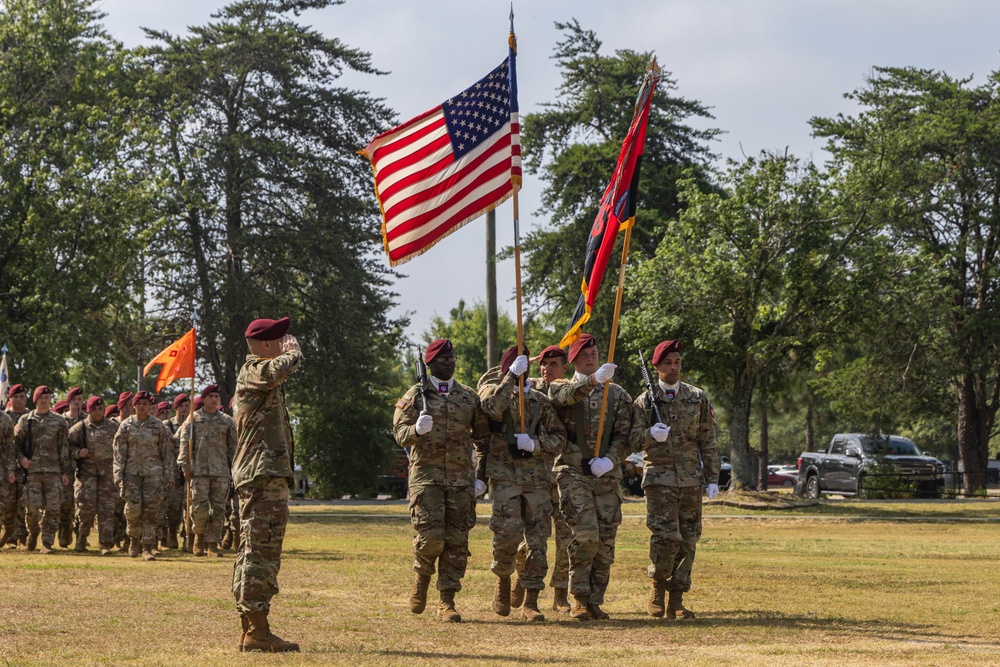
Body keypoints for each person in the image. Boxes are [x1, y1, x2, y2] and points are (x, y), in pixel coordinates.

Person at [393, 338, 487, 623]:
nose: (448, 362)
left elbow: (483, 440)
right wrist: (416, 431)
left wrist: (481, 476)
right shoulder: (414, 395)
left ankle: (447, 600)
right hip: (426, 479)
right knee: (431, 537)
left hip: (461, 481)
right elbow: (399, 433)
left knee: (457, 542)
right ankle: (422, 577)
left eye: (451, 358)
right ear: (430, 364)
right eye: (441, 359)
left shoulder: (469, 397)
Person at [631, 339, 721, 619]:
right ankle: (657, 587)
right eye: (667, 363)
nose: (673, 367)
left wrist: (713, 477)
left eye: (677, 362)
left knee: (689, 539)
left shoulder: (696, 397)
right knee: (666, 535)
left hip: (691, 478)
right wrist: (650, 435)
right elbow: (631, 441)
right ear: (656, 367)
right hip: (660, 477)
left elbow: (708, 439)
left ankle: (677, 599)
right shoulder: (644, 401)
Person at [477, 344, 566, 622]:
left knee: (538, 541)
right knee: (507, 535)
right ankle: (503, 580)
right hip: (505, 476)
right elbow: (491, 408)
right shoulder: (494, 391)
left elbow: (559, 438)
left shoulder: (540, 402)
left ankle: (531, 600)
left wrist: (536, 445)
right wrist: (509, 379)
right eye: (515, 368)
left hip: (536, 479)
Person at [548, 334, 632, 621]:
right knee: (585, 535)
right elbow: (564, 397)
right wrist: (593, 380)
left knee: (606, 540)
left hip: (606, 476)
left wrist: (610, 459)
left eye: (594, 352)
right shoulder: (561, 386)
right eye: (584, 354)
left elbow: (625, 435)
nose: (591, 357)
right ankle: (578, 597)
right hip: (572, 473)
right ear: (573, 359)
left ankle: (596, 599)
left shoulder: (618, 394)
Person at [231, 316, 301, 653]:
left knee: (254, 549)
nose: (286, 340)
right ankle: (257, 630)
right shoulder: (255, 370)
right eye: (280, 337)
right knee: (263, 551)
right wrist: (295, 353)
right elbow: (279, 369)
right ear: (267, 345)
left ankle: (252, 628)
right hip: (262, 474)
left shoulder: (258, 377)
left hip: (264, 473)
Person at [511, 344, 574, 614]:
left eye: (553, 364)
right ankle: (520, 575)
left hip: (565, 472)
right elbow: (489, 381)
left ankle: (560, 593)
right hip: (536, 473)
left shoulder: (571, 390)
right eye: (543, 364)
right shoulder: (530, 385)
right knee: (533, 536)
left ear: (564, 367)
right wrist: (517, 365)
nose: (546, 369)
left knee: (566, 535)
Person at [112, 390, 174, 561]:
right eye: (139, 403)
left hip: (154, 474)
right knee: (132, 510)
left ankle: (147, 546)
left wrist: (169, 476)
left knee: (151, 511)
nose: (142, 406)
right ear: (134, 405)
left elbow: (167, 453)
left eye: (145, 404)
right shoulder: (125, 426)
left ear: (150, 406)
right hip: (131, 474)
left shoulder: (159, 427)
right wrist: (118, 475)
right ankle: (133, 540)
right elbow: (119, 454)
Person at [178, 384, 237, 557]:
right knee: (199, 507)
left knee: (218, 509)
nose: (213, 399)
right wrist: (185, 466)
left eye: (215, 397)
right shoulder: (192, 419)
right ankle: (199, 538)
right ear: (202, 399)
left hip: (221, 471)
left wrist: (233, 468)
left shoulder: (227, 421)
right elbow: (184, 444)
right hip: (199, 471)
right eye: (209, 396)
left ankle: (213, 544)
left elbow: (232, 447)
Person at [13, 386, 71, 553]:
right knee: (32, 509)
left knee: (53, 509)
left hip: (53, 471)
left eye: (47, 397)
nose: (44, 400)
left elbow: (63, 447)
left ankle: (47, 543)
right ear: (35, 399)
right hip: (32, 472)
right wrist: (22, 459)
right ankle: (33, 532)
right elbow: (15, 446)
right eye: (41, 398)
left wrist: (65, 472)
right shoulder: (25, 420)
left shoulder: (60, 421)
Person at [68, 396, 118, 554]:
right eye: (94, 409)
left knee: (106, 510)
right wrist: (77, 452)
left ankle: (105, 544)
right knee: (85, 510)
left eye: (100, 408)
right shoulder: (80, 428)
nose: (97, 412)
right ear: (88, 410)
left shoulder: (113, 427)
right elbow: (66, 447)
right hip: (86, 475)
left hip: (107, 475)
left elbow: (121, 447)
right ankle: (81, 540)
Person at [158, 394, 190, 551]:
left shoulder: (194, 423)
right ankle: (171, 532)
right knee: (173, 505)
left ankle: (187, 536)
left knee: (189, 505)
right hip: (173, 471)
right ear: (176, 408)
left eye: (187, 405)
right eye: (181, 406)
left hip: (190, 471)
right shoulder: (166, 425)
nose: (184, 408)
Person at [57, 386, 85, 548]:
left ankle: (81, 536)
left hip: (84, 468)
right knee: (66, 503)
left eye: (80, 400)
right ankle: (65, 530)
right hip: (65, 467)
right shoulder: (61, 421)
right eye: (74, 400)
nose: (77, 403)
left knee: (83, 504)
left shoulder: (87, 421)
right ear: (68, 402)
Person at [4, 384, 29, 549]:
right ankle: (11, 538)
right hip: (5, 467)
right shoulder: (4, 416)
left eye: (22, 396)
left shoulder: (30, 417)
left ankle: (22, 537)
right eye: (15, 397)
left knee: (24, 503)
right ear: (10, 398)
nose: (18, 400)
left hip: (25, 467)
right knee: (8, 503)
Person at [0, 406, 15, 548]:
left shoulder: (5, 420)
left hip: (1, 469)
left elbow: (9, 448)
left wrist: (11, 470)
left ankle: (9, 530)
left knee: (3, 505)